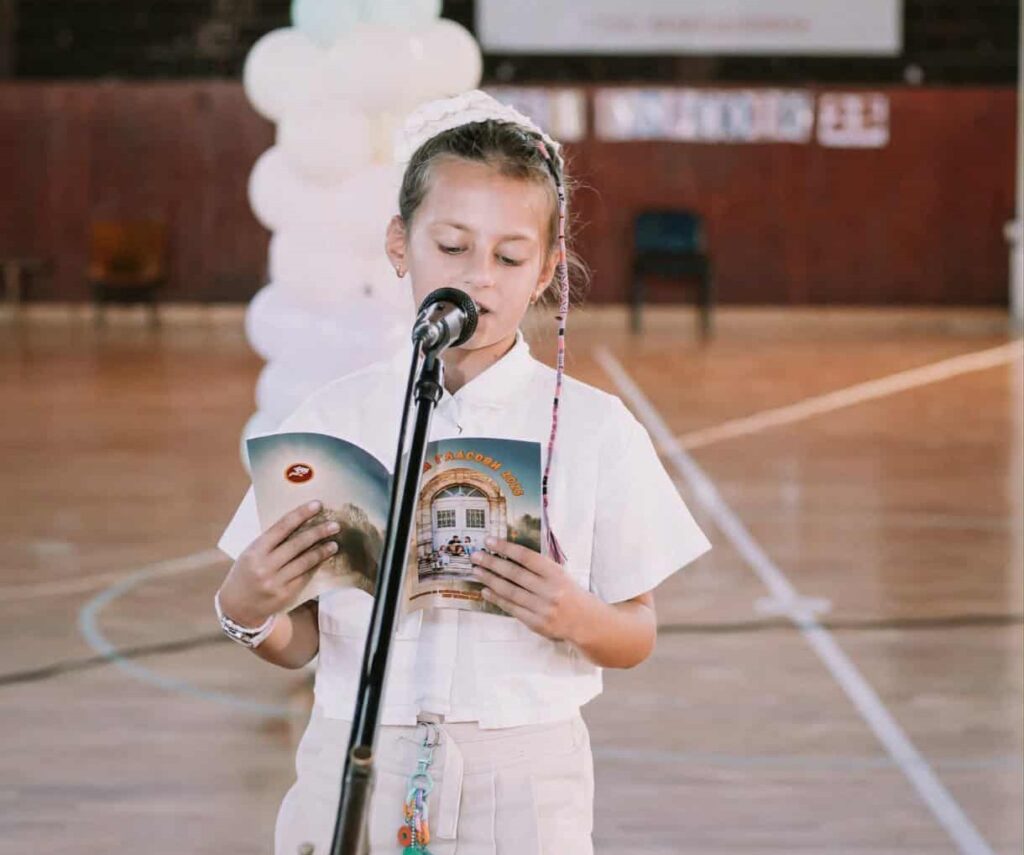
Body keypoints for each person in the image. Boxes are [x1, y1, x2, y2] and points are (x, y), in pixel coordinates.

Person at [214, 89, 711, 855]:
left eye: (510, 256)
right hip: (353, 753)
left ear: (546, 270)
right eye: (451, 246)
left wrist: (573, 614)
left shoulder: (592, 427)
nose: (480, 276)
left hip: (521, 778)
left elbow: (636, 630)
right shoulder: (331, 418)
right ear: (397, 245)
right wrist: (248, 607)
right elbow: (300, 638)